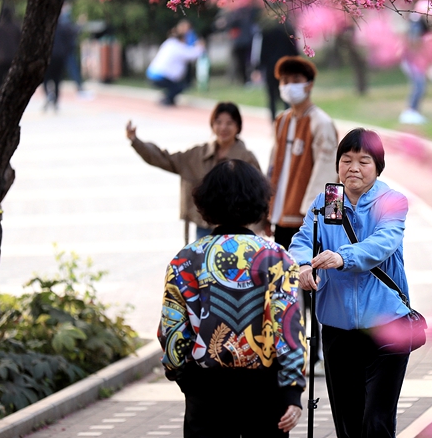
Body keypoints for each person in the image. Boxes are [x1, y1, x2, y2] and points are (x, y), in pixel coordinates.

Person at [158, 160, 306, 438]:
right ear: (258, 201)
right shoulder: (276, 258)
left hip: (205, 387)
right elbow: (288, 327)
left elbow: (172, 328)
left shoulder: (185, 260)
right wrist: (292, 391)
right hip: (265, 388)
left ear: (206, 202)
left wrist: (183, 377)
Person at [289, 128, 413, 438]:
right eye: (346, 160)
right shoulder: (328, 200)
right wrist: (303, 265)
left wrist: (342, 257)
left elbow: (383, 242)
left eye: (364, 161)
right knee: (348, 423)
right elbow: (304, 239)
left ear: (378, 166)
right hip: (337, 327)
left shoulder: (391, 201)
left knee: (377, 421)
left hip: (388, 323)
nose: (353, 168)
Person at [127, 102, 261, 240]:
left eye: (229, 123)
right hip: (203, 227)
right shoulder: (196, 154)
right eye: (218, 122)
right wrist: (135, 141)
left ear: (238, 126)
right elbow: (164, 158)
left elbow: (259, 195)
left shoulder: (247, 159)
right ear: (212, 124)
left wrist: (262, 225)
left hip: (237, 231)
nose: (223, 127)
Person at [267, 56, 338, 249]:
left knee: (310, 276)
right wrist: (266, 209)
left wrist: (330, 219)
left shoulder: (321, 122)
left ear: (309, 85)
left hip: (307, 220)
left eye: (295, 80)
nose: (289, 86)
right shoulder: (282, 120)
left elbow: (331, 172)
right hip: (282, 216)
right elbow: (273, 166)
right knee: (285, 274)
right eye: (285, 81)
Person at [146, 20, 204, 106]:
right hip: (160, 76)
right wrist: (200, 46)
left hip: (152, 74)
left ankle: (168, 98)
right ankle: (167, 100)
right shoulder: (179, 47)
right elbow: (194, 54)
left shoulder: (169, 43)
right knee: (182, 86)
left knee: (177, 85)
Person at [256, 14, 299, 121]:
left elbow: (262, 51)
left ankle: (273, 123)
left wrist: (259, 67)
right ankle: (288, 121)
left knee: (272, 97)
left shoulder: (266, 29)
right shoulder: (288, 29)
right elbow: (294, 49)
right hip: (287, 67)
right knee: (287, 96)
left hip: (271, 67)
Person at [44, 5, 79, 111]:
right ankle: (55, 101)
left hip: (49, 57)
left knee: (46, 79)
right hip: (59, 57)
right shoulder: (63, 27)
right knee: (57, 80)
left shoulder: (46, 29)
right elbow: (71, 37)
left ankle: (49, 95)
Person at [0, 3, 21, 91]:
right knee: (11, 80)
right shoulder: (16, 27)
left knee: (0, 82)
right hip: (13, 58)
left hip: (1, 58)